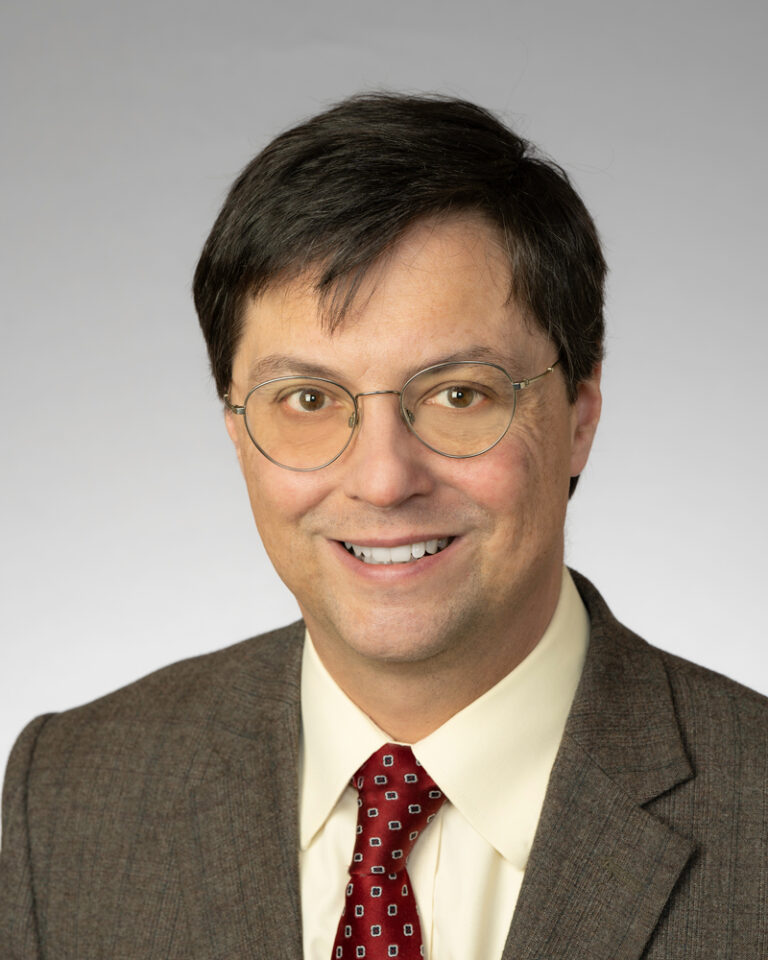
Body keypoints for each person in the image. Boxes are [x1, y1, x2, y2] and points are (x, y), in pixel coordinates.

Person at [1, 93, 766, 960]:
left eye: (458, 394)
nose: (383, 479)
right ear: (234, 431)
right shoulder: (67, 798)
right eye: (309, 400)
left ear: (579, 414)